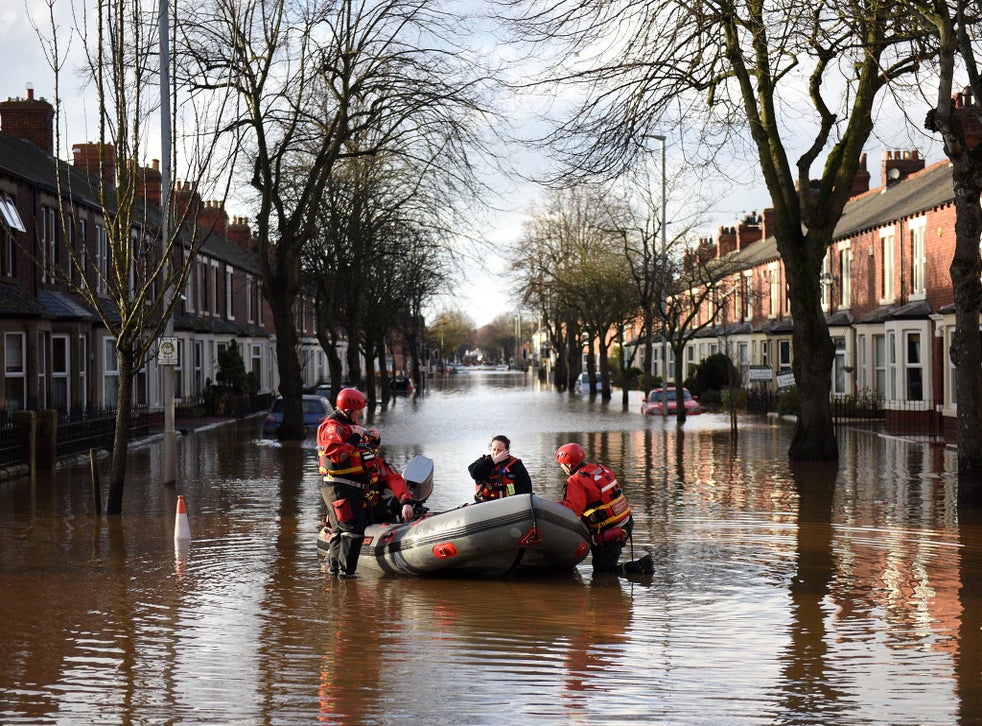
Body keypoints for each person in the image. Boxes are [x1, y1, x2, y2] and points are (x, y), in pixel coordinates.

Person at [317, 387, 415, 578]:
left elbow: (393, 477)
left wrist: (406, 501)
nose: (361, 414)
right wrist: (355, 436)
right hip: (340, 488)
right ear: (348, 410)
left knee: (346, 531)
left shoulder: (354, 433)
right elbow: (337, 454)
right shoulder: (334, 427)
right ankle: (344, 576)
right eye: (359, 410)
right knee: (351, 532)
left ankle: (335, 573)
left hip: (356, 493)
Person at [554, 442, 653, 576]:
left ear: (569, 465)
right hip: (626, 523)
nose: (562, 468)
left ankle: (641, 568)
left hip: (611, 533)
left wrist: (552, 506)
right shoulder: (599, 469)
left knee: (603, 573)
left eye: (562, 465)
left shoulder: (576, 481)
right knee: (603, 569)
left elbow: (572, 510)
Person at [468, 435, 533, 502]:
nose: (496, 453)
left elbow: (526, 489)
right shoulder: (484, 461)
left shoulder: (516, 465)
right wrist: (494, 461)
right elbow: (473, 473)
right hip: (483, 504)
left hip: (507, 505)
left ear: (507, 451)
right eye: (494, 449)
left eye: (499, 450)